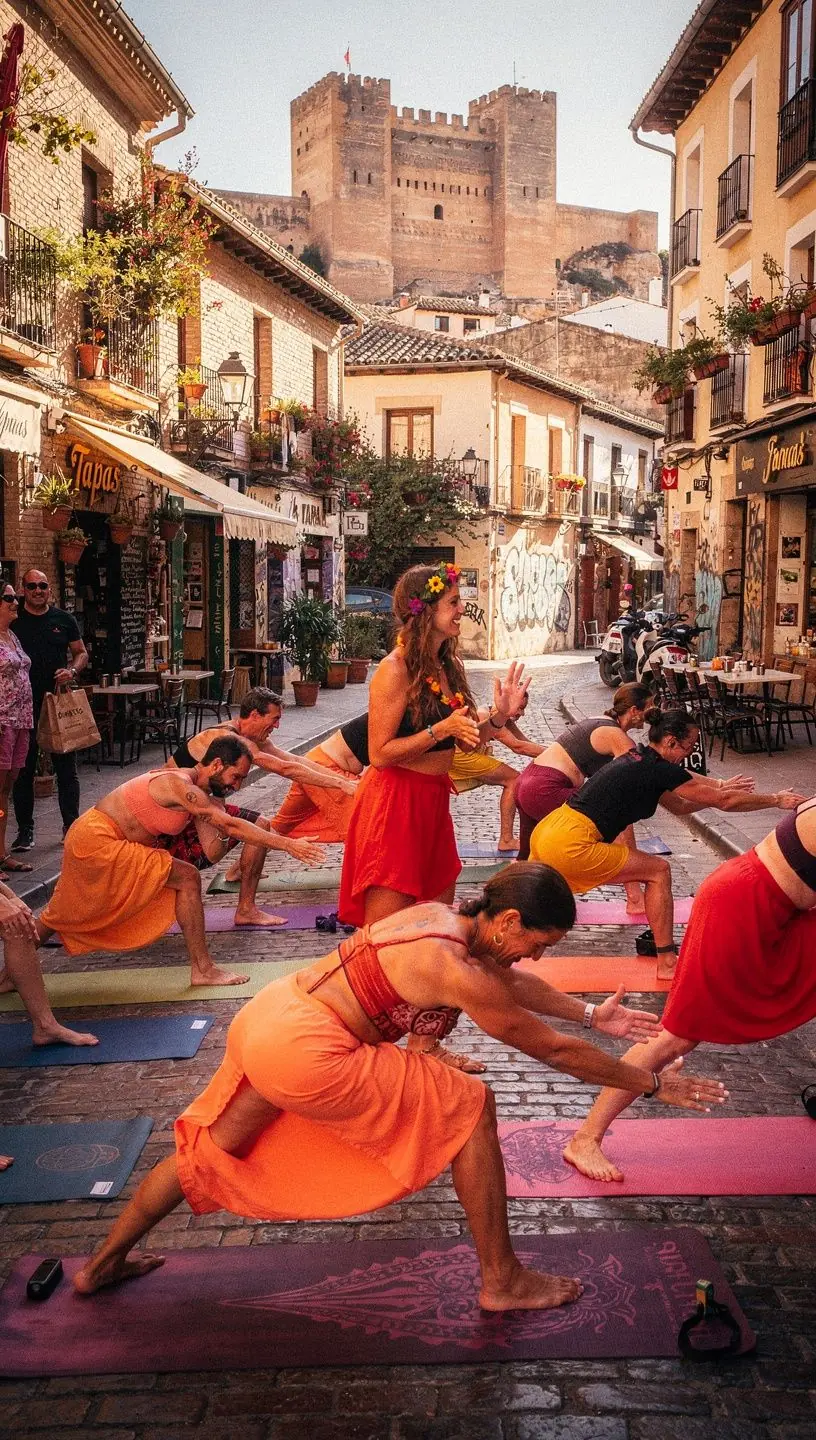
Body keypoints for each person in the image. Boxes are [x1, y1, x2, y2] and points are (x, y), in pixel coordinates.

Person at [72, 863, 727, 1308]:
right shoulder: (456, 966)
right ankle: (501, 1279)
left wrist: (589, 1012)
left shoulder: (443, 920)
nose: (537, 957)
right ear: (504, 923)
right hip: (308, 1049)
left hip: (272, 1019)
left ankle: (101, 1266)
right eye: (538, 941)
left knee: (213, 1152)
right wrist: (647, 1082)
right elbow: (548, 1048)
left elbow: (514, 984)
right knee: (471, 1106)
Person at [0, 736, 325, 1049]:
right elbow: (228, 826)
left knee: (61, 913)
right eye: (235, 776)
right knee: (184, 878)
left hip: (96, 839)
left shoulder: (200, 789)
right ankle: (203, 969)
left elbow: (211, 850)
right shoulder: (179, 785)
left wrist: (227, 807)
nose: (237, 785)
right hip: (97, 840)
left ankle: (9, 975)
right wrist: (288, 844)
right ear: (215, 764)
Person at [563, 798, 816, 1184]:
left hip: (773, 912)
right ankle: (585, 1138)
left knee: (675, 1038)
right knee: (675, 1038)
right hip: (741, 910)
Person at [338, 561, 528, 1069]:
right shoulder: (394, 669)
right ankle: (358, 1041)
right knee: (385, 939)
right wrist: (441, 731)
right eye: (453, 603)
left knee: (440, 934)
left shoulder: (445, 666)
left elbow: (465, 735)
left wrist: (499, 718)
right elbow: (379, 752)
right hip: (393, 806)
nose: (462, 610)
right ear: (423, 612)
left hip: (431, 805)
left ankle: (425, 1044)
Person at [529, 706, 804, 979]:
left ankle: (517, 939)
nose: (690, 753)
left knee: (531, 901)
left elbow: (682, 805)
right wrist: (776, 800)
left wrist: (715, 794)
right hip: (571, 841)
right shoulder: (657, 769)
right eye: (689, 746)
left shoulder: (640, 759)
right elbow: (726, 802)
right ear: (671, 741)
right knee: (659, 871)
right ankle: (666, 961)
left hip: (551, 830)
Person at [172, 686, 358, 925]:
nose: (277, 726)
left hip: (199, 807)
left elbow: (294, 760)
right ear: (254, 716)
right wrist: (341, 785)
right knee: (230, 843)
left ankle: (245, 907)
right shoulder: (227, 738)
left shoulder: (251, 739)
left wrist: (344, 782)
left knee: (260, 825)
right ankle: (239, 884)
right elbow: (286, 769)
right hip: (176, 810)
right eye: (275, 719)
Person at [515, 683, 651, 868]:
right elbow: (643, 774)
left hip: (526, 783)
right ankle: (634, 889)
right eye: (650, 706)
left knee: (526, 862)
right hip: (545, 788)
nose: (653, 712)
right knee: (616, 810)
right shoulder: (615, 734)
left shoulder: (599, 719)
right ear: (635, 710)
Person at [10, 569, 88, 852]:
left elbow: (81, 653)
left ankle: (71, 826)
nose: (38, 590)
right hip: (23, 705)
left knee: (66, 768)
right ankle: (25, 831)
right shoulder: (14, 620)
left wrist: (71, 670)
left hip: (56, 703)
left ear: (49, 589)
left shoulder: (63, 620)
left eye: (42, 585)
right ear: (23, 589)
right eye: (32, 586)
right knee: (23, 770)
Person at [449, 694, 544, 853]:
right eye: (520, 708)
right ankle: (506, 839)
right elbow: (518, 747)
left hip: (461, 753)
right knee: (513, 780)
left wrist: (555, 752)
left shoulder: (504, 717)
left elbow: (525, 742)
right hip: (459, 754)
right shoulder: (489, 715)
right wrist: (560, 754)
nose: (522, 714)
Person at [0, 584, 34, 875]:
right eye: (9, 598)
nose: (15, 602)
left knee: (5, 790)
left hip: (20, 722)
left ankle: (1, 852)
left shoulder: (11, 636)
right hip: (2, 722)